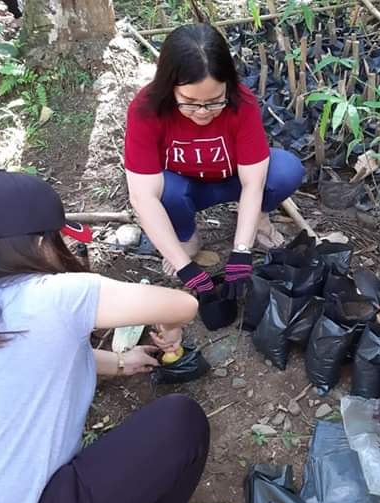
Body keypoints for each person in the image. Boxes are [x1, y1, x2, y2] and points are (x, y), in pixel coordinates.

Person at [0, 171, 234, 503]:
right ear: (38, 243)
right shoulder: (52, 296)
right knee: (180, 421)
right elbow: (182, 305)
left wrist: (118, 362)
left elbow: (25, 365)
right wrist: (171, 324)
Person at [124, 22, 305, 308]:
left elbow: (253, 182)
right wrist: (185, 268)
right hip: (184, 188)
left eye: (213, 102)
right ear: (169, 86)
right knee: (164, 192)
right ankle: (185, 239)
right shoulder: (146, 109)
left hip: (232, 179)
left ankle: (257, 219)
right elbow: (142, 197)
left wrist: (241, 251)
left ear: (227, 86)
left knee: (285, 171)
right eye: (189, 102)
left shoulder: (241, 102)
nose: (202, 112)